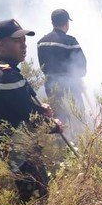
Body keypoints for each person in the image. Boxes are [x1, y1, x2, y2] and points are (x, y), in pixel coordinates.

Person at [0, 18, 62, 202]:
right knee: (36, 198)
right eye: (17, 41)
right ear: (1, 44)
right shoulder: (6, 75)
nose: (24, 45)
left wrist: (39, 107)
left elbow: (16, 105)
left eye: (24, 40)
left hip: (8, 148)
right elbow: (30, 117)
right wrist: (53, 125)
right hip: (17, 151)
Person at [37, 9, 87, 138]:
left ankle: (61, 146)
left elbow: (43, 66)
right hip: (70, 87)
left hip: (51, 86)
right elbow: (81, 68)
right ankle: (80, 144)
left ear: (52, 22)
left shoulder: (41, 42)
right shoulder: (70, 41)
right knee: (78, 118)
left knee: (58, 118)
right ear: (66, 23)